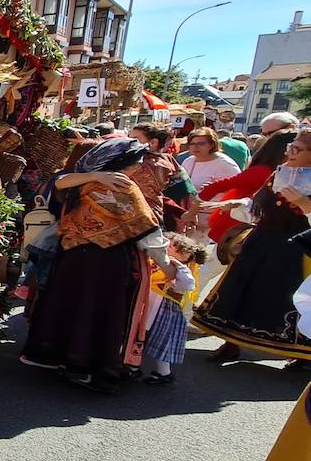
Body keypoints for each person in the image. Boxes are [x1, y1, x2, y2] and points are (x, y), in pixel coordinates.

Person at [20, 138, 158, 392]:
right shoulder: (123, 186)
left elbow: (59, 183)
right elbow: (145, 227)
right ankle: (86, 366)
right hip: (107, 261)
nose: (139, 167)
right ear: (122, 163)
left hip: (73, 257)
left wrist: (96, 175)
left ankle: (65, 361)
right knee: (97, 313)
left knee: (71, 305)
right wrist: (166, 262)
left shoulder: (82, 182)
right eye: (136, 162)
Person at [194, 129, 311, 365]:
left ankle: (299, 352)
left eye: (297, 149)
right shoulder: (279, 172)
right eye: (290, 147)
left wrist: (305, 204)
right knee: (241, 288)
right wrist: (238, 203)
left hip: (298, 246)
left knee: (290, 297)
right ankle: (231, 342)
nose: (290, 151)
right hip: (263, 239)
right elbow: (258, 203)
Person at [141, 233, 206, 385]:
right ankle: (134, 365)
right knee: (142, 337)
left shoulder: (180, 269)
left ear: (185, 256)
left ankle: (164, 373)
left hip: (166, 311)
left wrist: (177, 265)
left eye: (174, 247)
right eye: (168, 244)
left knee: (162, 343)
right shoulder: (157, 261)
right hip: (151, 306)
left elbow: (188, 284)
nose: (168, 247)